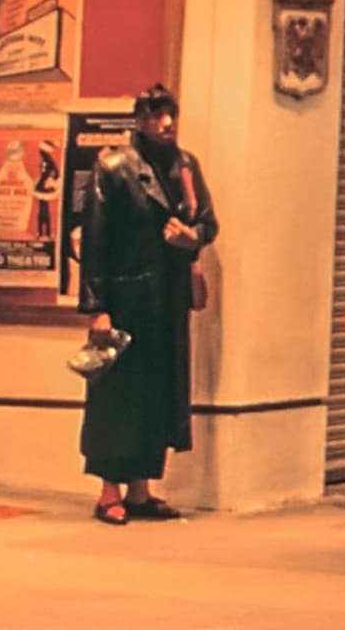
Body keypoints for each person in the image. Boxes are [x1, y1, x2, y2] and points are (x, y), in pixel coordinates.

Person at [77, 84, 216, 524]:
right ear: (138, 120)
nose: (166, 124)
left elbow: (208, 221)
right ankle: (108, 491)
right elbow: (95, 240)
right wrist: (98, 307)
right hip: (126, 298)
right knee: (116, 396)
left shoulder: (186, 165)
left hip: (168, 300)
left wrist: (192, 239)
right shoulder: (114, 167)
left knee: (159, 394)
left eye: (170, 114)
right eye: (156, 116)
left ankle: (141, 488)